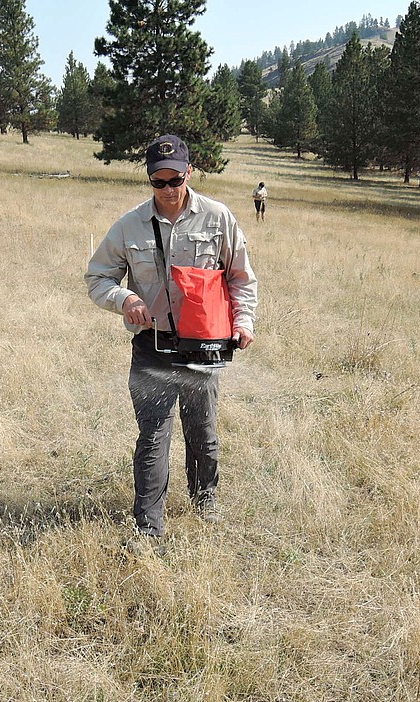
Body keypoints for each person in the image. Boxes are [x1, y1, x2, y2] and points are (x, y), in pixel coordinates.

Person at [86, 135, 258, 540]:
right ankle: (149, 527)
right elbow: (98, 277)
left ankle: (205, 501)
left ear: (189, 174)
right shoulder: (129, 225)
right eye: (157, 182)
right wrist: (125, 298)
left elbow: (241, 277)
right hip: (152, 346)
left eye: (175, 180)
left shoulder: (218, 218)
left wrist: (244, 322)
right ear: (148, 180)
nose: (167, 190)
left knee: (202, 428)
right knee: (154, 435)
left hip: (205, 347)